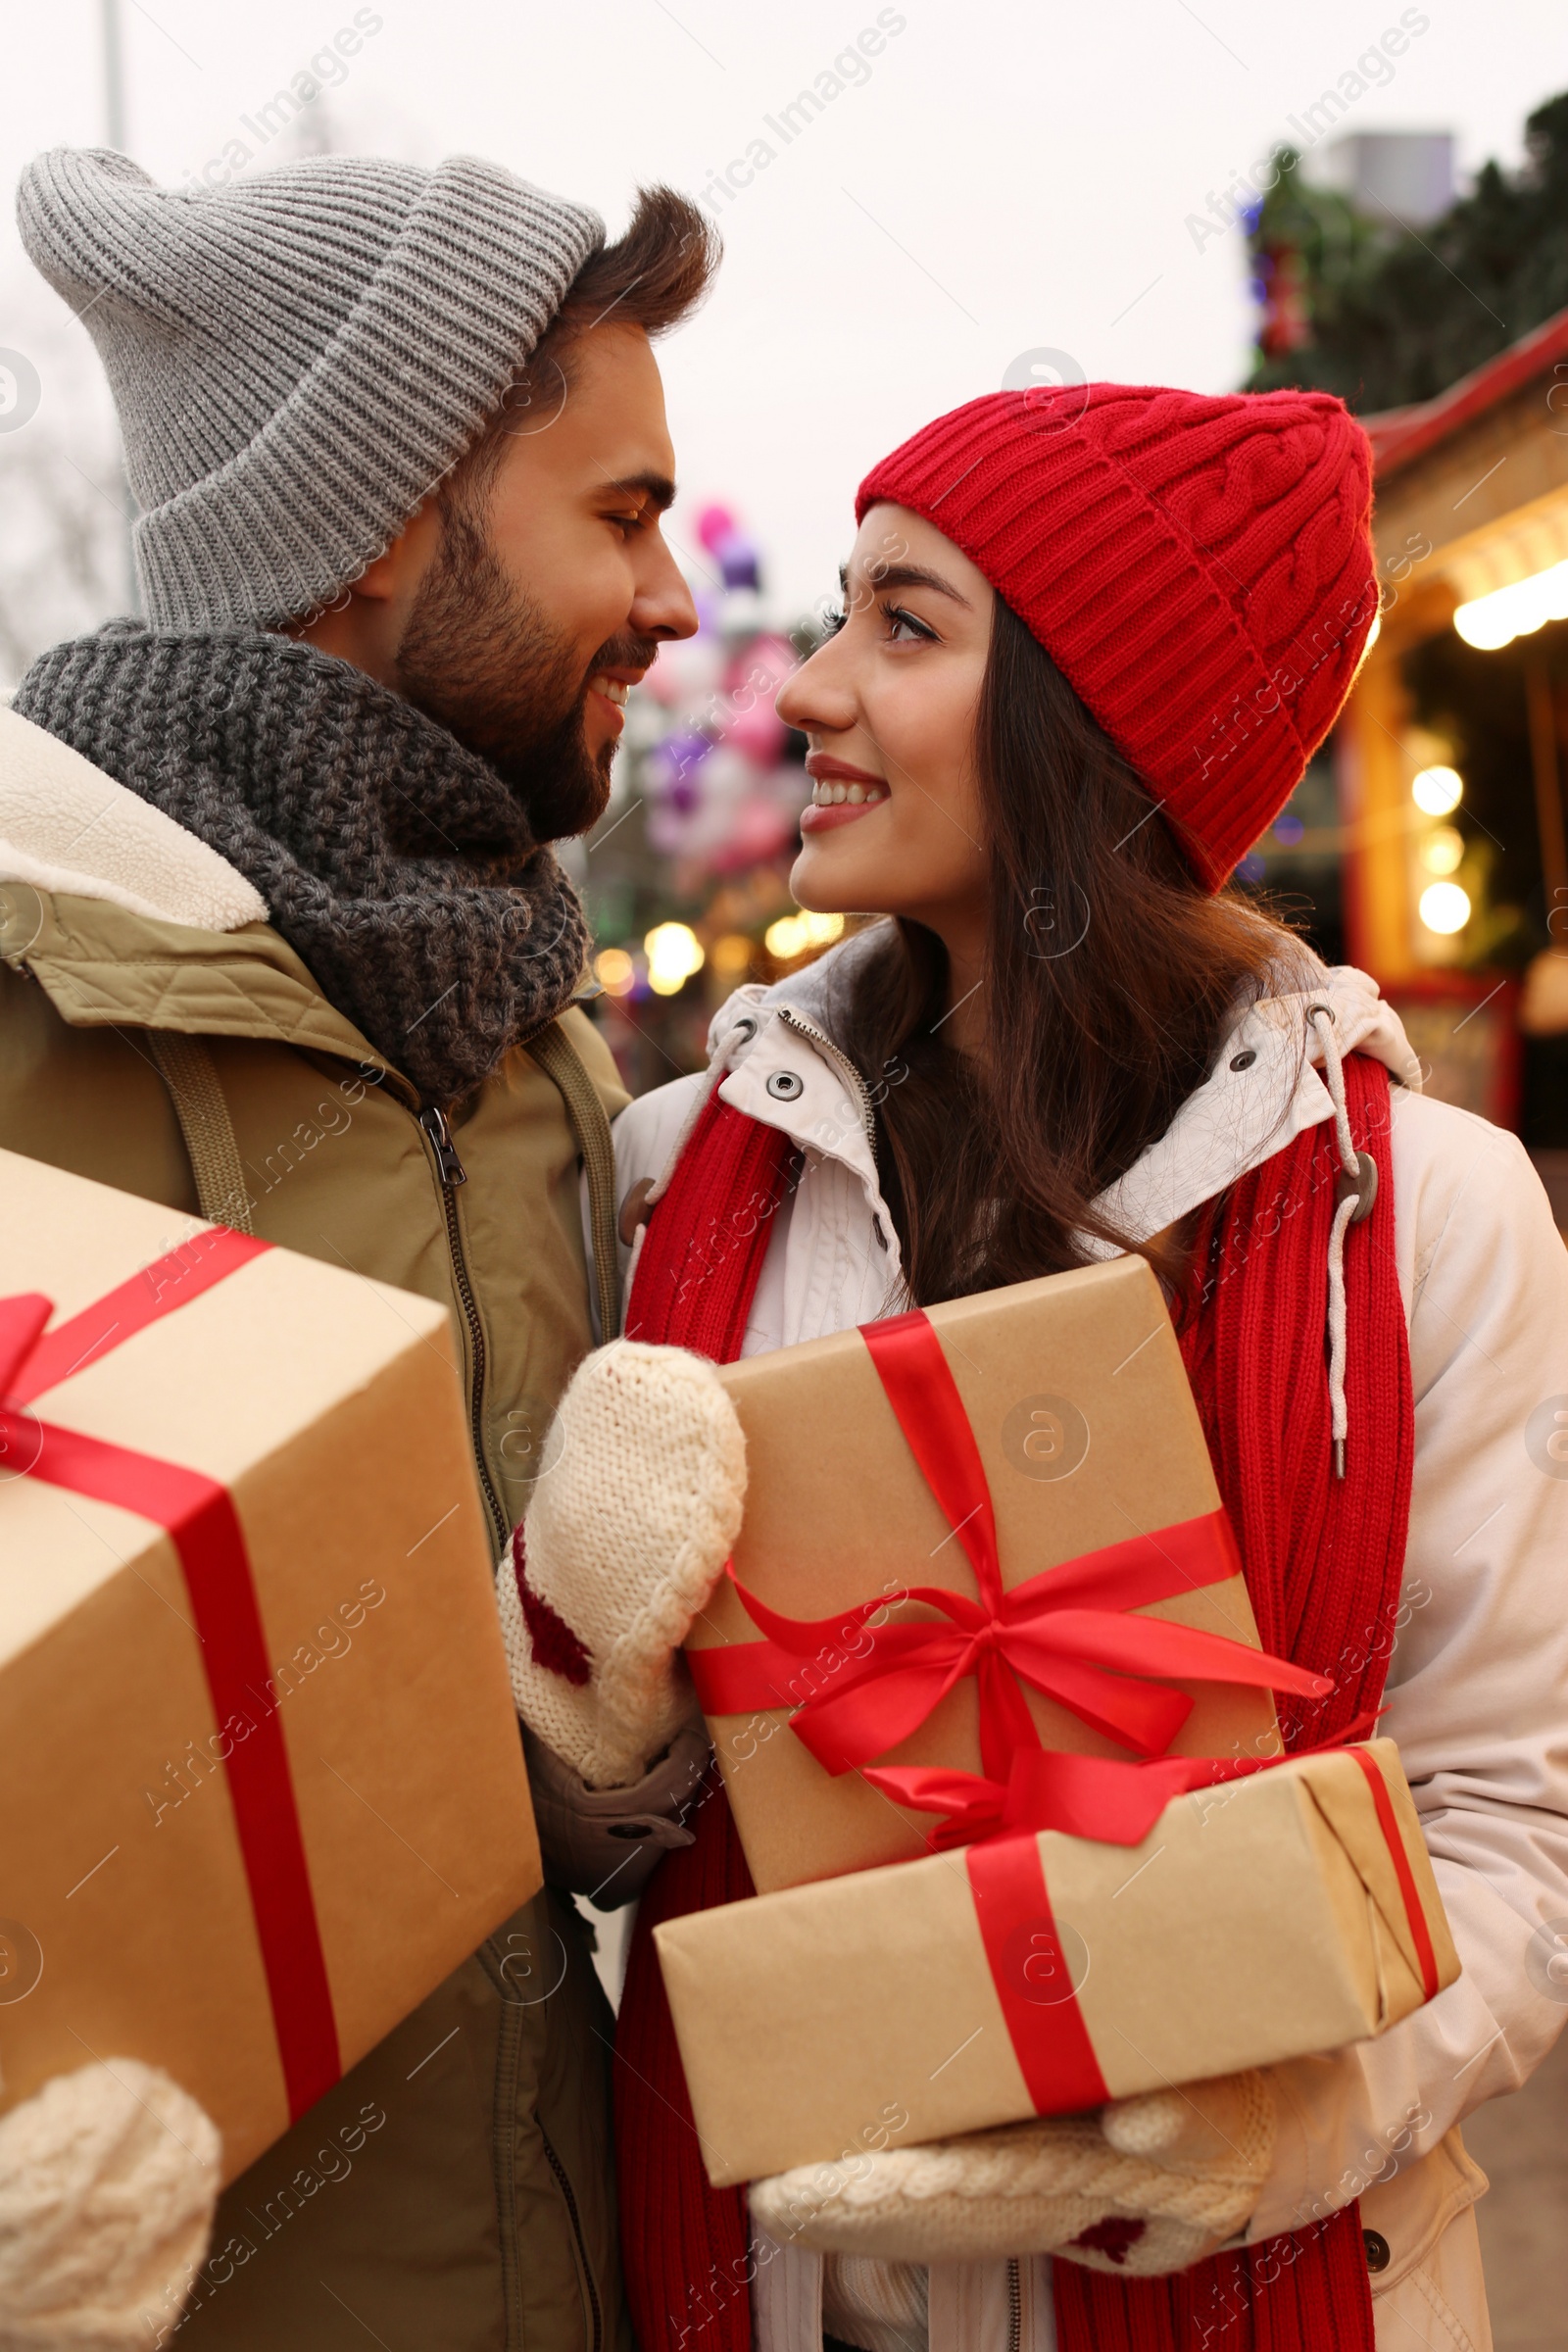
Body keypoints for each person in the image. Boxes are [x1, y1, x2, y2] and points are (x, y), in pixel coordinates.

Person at [498, 383, 1568, 2352]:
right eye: (834, 612)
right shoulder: (673, 1182)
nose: (807, 688)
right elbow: (593, 1833)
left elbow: (1517, 1833)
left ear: (1089, 727)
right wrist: (579, 1685)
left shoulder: (1418, 1219)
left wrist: (1263, 2124)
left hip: (1266, 2292)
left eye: (901, 627)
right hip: (767, 2280)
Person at [0, 144, 716, 2348]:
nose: (679, 599)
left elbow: (521, 1816)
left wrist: (614, 1736)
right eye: (619, 512)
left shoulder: (535, 1047)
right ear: (389, 515)